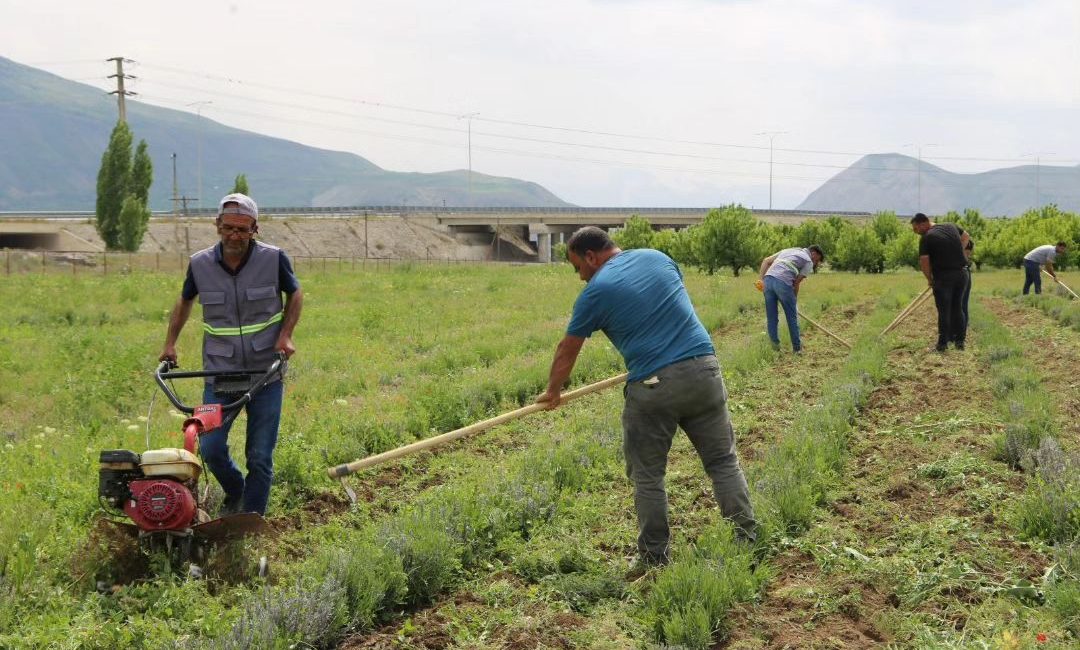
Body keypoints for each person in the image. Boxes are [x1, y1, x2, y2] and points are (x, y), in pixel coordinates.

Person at [536, 227, 756, 571]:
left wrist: (552, 391)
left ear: (591, 257)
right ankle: (748, 539)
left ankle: (654, 560)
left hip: (654, 385)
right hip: (705, 370)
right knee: (723, 463)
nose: (579, 276)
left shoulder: (596, 291)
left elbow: (568, 348)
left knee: (648, 476)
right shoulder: (658, 258)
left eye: (577, 266)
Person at [159, 193, 304, 516]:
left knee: (260, 456)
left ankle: (250, 521)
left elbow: (295, 293)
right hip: (219, 373)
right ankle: (237, 490)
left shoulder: (273, 258)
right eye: (228, 228)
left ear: (255, 228)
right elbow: (185, 302)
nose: (235, 236)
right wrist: (170, 343)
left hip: (265, 373)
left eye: (242, 229)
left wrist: (286, 335)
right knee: (209, 448)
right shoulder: (200, 264)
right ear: (217, 226)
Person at [910, 213, 970, 352]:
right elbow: (966, 236)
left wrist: (930, 280)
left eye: (915, 229)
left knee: (944, 310)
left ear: (923, 224)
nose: (916, 232)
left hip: (944, 277)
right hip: (962, 274)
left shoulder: (926, 238)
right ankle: (960, 343)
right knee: (957, 307)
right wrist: (958, 252)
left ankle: (942, 345)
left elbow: (924, 262)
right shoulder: (950, 225)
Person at [756, 245, 825, 353]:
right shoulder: (808, 262)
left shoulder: (787, 250)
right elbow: (796, 283)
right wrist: (794, 303)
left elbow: (766, 261)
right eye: (816, 260)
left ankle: (775, 348)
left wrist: (760, 280)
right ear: (813, 254)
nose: (815, 263)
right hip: (783, 283)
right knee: (792, 317)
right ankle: (797, 349)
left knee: (772, 317)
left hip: (767, 281)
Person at [958, 238, 974, 343]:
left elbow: (965, 259)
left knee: (962, 306)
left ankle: (961, 335)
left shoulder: (967, 243)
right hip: (962, 273)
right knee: (961, 305)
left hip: (963, 273)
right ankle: (958, 334)